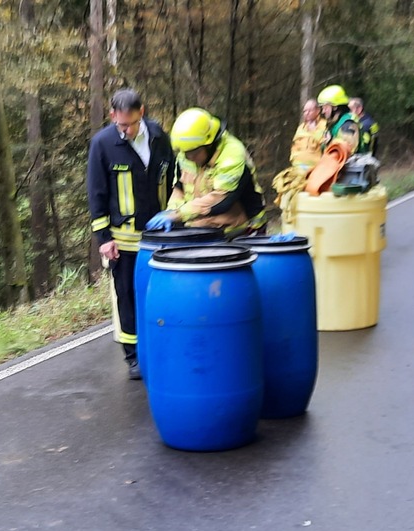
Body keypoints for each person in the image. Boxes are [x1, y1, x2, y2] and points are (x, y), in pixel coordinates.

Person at [87, 88, 176, 380]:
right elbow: (96, 193)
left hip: (160, 237)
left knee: (161, 294)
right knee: (127, 295)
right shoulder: (103, 144)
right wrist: (104, 240)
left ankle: (160, 347)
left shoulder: (160, 137)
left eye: (131, 124)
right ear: (112, 116)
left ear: (143, 112)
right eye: (120, 124)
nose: (125, 130)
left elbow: (173, 176)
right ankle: (133, 355)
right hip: (122, 241)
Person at [146, 108, 267, 239]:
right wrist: (171, 210)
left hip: (242, 232)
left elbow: (220, 201)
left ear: (209, 144)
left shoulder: (232, 156)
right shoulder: (187, 152)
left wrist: (178, 215)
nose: (188, 157)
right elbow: (180, 188)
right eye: (185, 152)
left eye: (193, 153)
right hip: (204, 231)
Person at [317, 85, 363, 154]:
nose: (323, 111)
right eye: (322, 108)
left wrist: (330, 141)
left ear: (335, 107)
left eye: (326, 108)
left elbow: (348, 151)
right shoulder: (335, 123)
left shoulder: (347, 124)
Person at [290, 99, 326, 171]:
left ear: (318, 111)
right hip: (298, 167)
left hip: (316, 169)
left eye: (310, 110)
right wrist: (293, 158)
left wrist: (313, 131)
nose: (307, 113)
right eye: (305, 111)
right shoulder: (301, 127)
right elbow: (294, 145)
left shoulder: (324, 125)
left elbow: (325, 144)